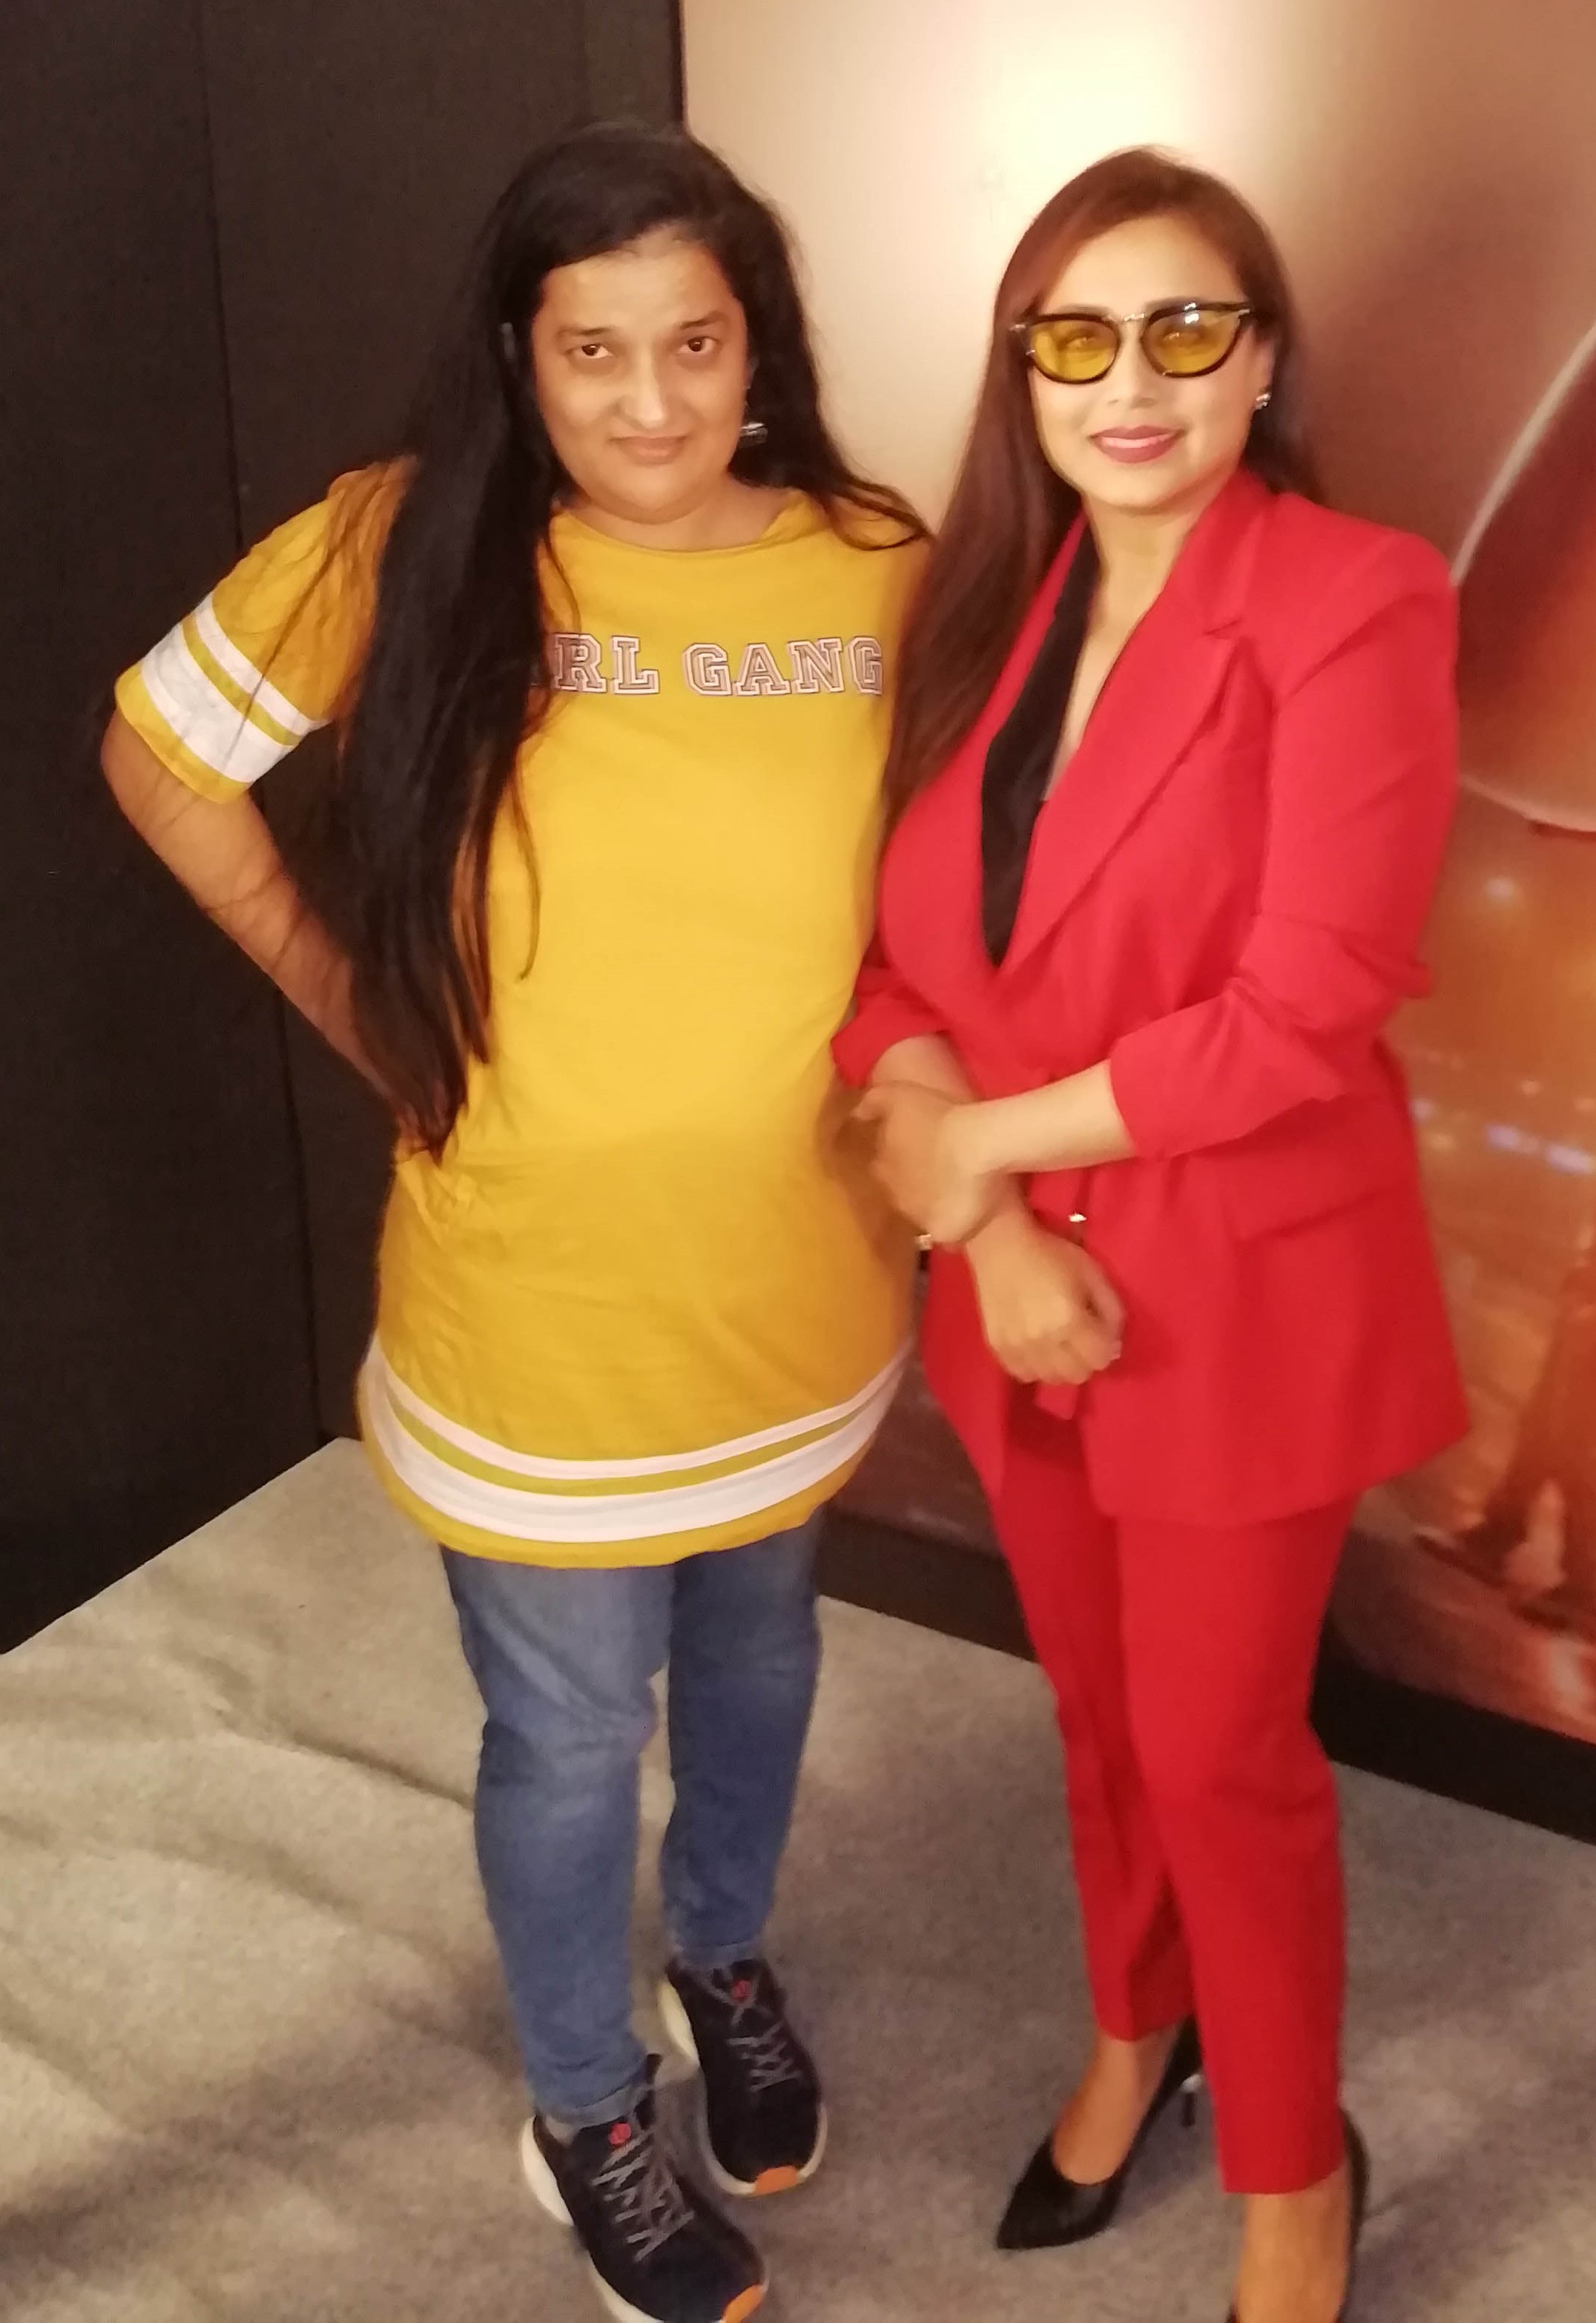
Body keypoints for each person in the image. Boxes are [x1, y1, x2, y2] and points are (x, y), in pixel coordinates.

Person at [102, 122, 923, 2323]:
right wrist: (359, 1007)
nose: (649, 401)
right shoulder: (411, 540)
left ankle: (721, 1954)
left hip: (795, 1280)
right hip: (537, 1316)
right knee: (567, 1734)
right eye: (593, 350)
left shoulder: (873, 564)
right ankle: (585, 2105)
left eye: (694, 343)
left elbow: (948, 895)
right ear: (519, 357)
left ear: (758, 349)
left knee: (757, 1657)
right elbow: (162, 756)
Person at [837, 148, 1466, 2323]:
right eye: (1079, 338)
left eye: (1187, 330)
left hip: (1238, 1292)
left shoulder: (1355, 597)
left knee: (1220, 1752)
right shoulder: (984, 614)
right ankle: (1139, 2030)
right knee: (1102, 1721)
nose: (1133, 382)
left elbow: (1305, 1009)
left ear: (1262, 359)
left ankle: (1295, 2169)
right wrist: (994, 1224)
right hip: (1016, 1284)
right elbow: (890, 974)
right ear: (1023, 373)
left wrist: (971, 1157)